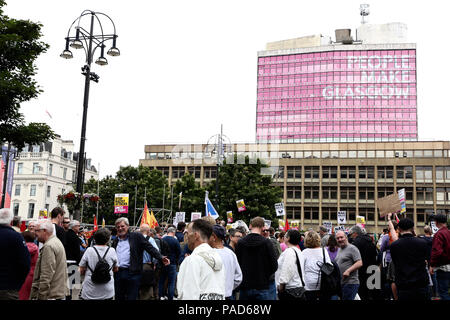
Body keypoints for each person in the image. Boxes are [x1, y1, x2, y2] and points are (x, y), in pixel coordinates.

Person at [111, 217, 169, 300]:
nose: (120, 228)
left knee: (132, 297)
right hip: (119, 273)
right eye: (118, 227)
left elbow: (149, 248)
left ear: (128, 226)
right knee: (119, 297)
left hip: (132, 273)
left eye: (122, 226)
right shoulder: (116, 240)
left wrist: (161, 257)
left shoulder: (136, 236)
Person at [177, 219, 225, 300]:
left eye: (187, 233)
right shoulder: (218, 258)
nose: (186, 236)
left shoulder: (192, 260)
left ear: (195, 235)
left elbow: (188, 295)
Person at [235, 216, 278, 300]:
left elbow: (237, 264)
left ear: (250, 226)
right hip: (262, 286)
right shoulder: (267, 242)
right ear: (263, 227)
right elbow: (274, 266)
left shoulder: (240, 243)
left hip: (245, 286)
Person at [390, 218, 430, 300]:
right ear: (412, 229)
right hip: (421, 283)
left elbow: (395, 262)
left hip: (404, 284)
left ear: (399, 229)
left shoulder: (394, 245)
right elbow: (426, 260)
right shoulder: (422, 243)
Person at [30, 219, 68, 300]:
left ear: (44, 231)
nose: (34, 233)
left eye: (36, 230)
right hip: (57, 293)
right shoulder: (55, 241)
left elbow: (46, 275)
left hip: (51, 295)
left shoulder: (48, 246)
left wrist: (41, 296)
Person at [78, 228, 118, 300]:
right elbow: (116, 269)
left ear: (95, 238)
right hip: (107, 290)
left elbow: (81, 269)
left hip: (90, 289)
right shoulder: (112, 250)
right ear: (108, 239)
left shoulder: (89, 250)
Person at [0, 208, 30, 300]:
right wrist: (17, 283)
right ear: (12, 222)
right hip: (9, 287)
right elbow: (25, 264)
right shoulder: (17, 237)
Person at [210, 225, 242, 300]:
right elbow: (238, 277)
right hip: (228, 294)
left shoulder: (210, 253)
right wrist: (229, 287)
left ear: (214, 237)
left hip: (214, 295)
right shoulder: (231, 253)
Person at [348, 225, 379, 300]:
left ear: (355, 233)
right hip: (373, 269)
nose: (351, 237)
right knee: (373, 293)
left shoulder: (356, 243)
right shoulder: (370, 241)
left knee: (362, 294)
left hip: (361, 271)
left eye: (351, 235)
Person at [300, 231, 332, 300]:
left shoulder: (304, 252)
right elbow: (329, 266)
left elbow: (301, 269)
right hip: (322, 282)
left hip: (308, 283)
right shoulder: (324, 251)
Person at [275, 229, 305, 300]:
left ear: (288, 238)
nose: (283, 237)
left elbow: (287, 269)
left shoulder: (290, 252)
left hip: (290, 289)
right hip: (296, 287)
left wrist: (281, 286)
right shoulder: (297, 251)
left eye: (285, 236)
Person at [335, 230, 363, 300]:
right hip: (342, 283)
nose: (340, 239)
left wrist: (348, 271)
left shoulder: (352, 248)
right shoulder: (339, 249)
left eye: (341, 237)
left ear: (346, 237)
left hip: (350, 282)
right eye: (338, 238)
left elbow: (359, 262)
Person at [430, 214, 450, 300]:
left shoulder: (439, 234)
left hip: (443, 267)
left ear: (436, 222)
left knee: (443, 292)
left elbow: (437, 252)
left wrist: (432, 265)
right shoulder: (448, 232)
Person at [159, 227, 181, 300]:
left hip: (163, 262)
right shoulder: (175, 241)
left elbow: (159, 251)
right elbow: (179, 252)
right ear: (173, 232)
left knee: (162, 280)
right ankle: (170, 297)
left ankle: (161, 296)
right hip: (172, 263)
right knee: (171, 282)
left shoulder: (162, 240)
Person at [138, 224, 160, 300]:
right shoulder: (150, 239)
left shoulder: (135, 239)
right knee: (147, 288)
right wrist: (153, 262)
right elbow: (156, 252)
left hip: (136, 265)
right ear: (148, 231)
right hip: (147, 266)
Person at [18, 231, 39, 300]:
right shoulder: (36, 247)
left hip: (25, 275)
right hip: (33, 274)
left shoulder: (24, 248)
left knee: (23, 296)